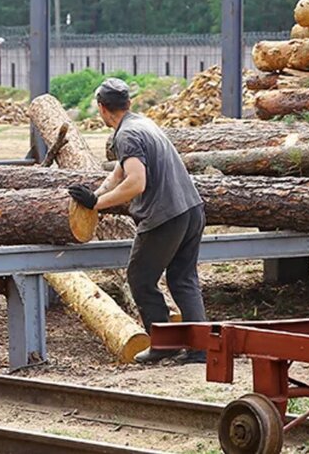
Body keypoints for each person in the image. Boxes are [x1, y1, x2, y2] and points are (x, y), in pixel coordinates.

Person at [68, 78, 207, 364]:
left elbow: (136, 183)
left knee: (140, 278)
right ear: (128, 104)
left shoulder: (126, 136)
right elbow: (120, 173)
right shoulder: (142, 124)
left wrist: (97, 204)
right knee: (183, 279)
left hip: (166, 215)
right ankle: (200, 350)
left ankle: (163, 345)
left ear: (102, 108)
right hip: (192, 209)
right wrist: (94, 195)